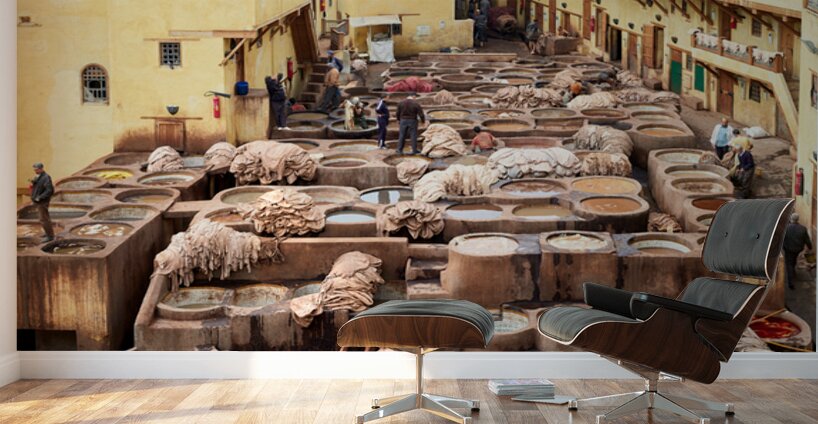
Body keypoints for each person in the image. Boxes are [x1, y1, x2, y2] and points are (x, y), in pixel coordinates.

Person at [783, 213, 813, 289]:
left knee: (789, 264)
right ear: (797, 219)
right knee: (793, 261)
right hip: (798, 249)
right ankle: (793, 271)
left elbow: (781, 240)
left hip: (788, 249)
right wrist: (810, 247)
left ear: (791, 219)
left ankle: (791, 282)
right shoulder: (803, 228)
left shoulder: (786, 228)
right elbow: (807, 240)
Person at [30, 162, 55, 243]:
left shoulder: (46, 177)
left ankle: (50, 236)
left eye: (36, 169)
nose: (35, 171)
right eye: (34, 169)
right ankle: (48, 232)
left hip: (42, 201)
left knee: (44, 219)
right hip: (39, 201)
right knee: (44, 218)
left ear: (41, 169)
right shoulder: (39, 176)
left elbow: (50, 190)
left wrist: (40, 197)